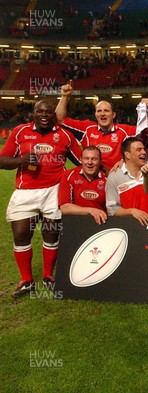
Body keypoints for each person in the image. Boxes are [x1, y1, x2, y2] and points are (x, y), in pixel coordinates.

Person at [0, 100, 82, 298]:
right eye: (40, 111)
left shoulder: (64, 135)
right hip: (25, 191)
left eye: (48, 112)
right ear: (33, 113)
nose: (44, 115)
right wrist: (22, 160)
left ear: (53, 114)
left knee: (51, 234)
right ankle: (26, 281)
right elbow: (2, 160)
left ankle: (47, 276)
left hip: (54, 190)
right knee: (20, 234)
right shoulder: (20, 132)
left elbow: (80, 161)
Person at [55, 82, 136, 169]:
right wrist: (65, 96)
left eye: (106, 110)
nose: (102, 114)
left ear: (113, 115)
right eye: (99, 111)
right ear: (95, 115)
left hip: (116, 178)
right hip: (93, 179)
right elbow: (59, 119)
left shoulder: (125, 130)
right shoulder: (87, 128)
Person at [106, 137, 148, 226]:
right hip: (131, 228)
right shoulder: (114, 177)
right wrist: (132, 211)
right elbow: (112, 210)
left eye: (143, 149)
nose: (144, 152)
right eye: (139, 150)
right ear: (127, 155)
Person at [58, 146, 107, 225]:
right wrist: (91, 211)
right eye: (86, 158)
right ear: (81, 159)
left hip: (101, 222)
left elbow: (112, 208)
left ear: (100, 161)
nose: (90, 162)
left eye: (94, 159)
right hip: (75, 223)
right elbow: (65, 207)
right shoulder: (69, 175)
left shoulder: (107, 179)